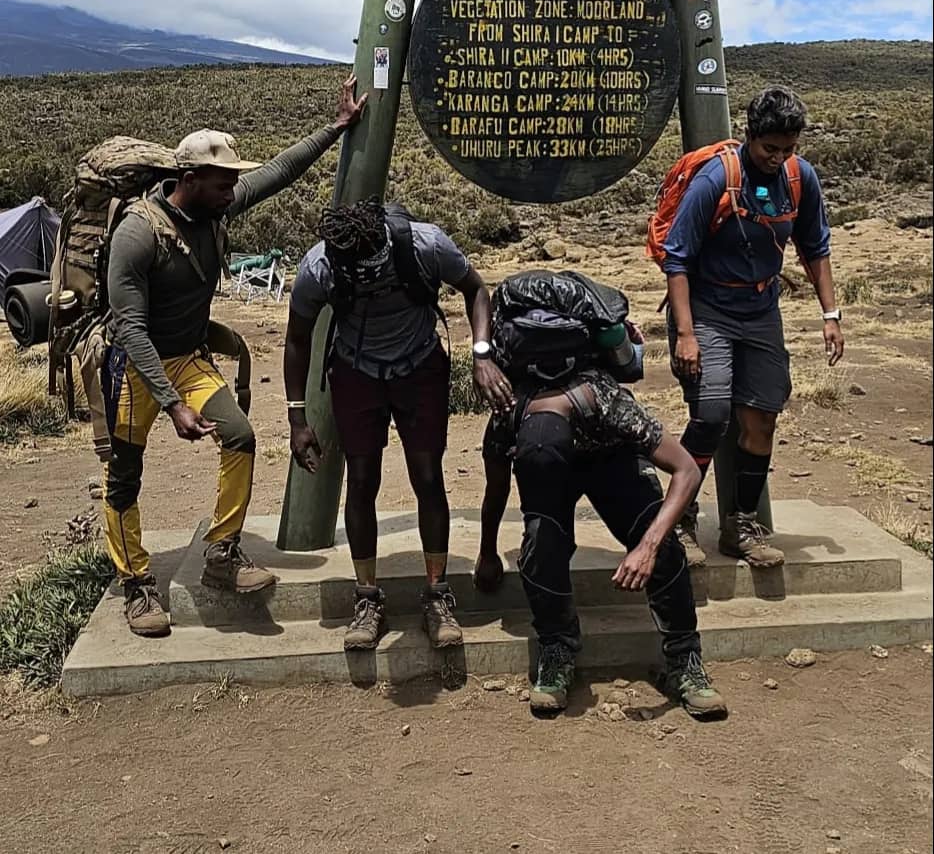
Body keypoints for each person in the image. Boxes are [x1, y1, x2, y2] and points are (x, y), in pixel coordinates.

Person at [103, 75, 367, 637]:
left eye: (232, 185)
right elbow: (130, 329)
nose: (233, 192)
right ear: (190, 179)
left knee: (240, 435)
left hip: (187, 358)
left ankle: (222, 552)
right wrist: (173, 404)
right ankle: (135, 583)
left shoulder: (214, 209)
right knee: (125, 477)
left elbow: (278, 171)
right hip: (134, 368)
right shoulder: (137, 234)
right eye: (223, 183)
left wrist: (336, 127)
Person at [284, 197, 512, 651]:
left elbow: (476, 290)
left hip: (418, 365)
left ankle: (437, 594)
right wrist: (297, 417)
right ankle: (367, 597)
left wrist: (481, 354)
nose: (362, 275)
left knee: (428, 476)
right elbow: (297, 336)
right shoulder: (321, 266)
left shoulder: (424, 245)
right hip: (356, 370)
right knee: (362, 479)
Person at [480, 361, 726, 718]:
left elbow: (687, 469)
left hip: (613, 461)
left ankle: (684, 659)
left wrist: (648, 546)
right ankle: (556, 648)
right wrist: (487, 552)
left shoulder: (605, 400)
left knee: (662, 539)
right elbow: (497, 487)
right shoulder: (510, 411)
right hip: (552, 471)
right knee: (540, 540)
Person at [664, 85, 844, 567]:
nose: (779, 158)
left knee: (762, 418)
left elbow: (815, 246)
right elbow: (677, 258)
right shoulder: (715, 179)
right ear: (750, 136)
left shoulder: (799, 177)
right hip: (707, 310)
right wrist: (685, 333)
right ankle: (678, 522)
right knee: (711, 415)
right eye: (770, 149)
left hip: (761, 311)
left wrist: (830, 315)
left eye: (789, 149)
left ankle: (741, 525)